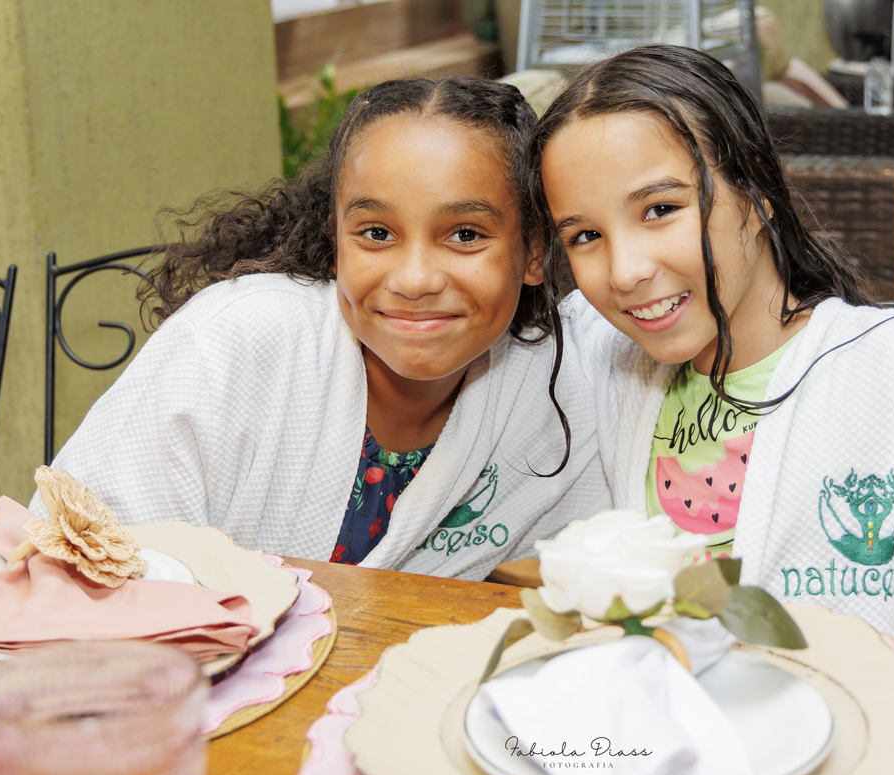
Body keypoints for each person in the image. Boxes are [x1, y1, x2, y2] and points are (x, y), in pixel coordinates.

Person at [530, 45, 894, 645]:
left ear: (756, 189)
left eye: (661, 209)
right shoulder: (593, 356)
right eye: (585, 236)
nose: (625, 271)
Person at [32, 77, 609, 580]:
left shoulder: (552, 395)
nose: (414, 280)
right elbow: (81, 551)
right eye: (376, 233)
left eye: (465, 235)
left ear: (535, 250)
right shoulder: (234, 342)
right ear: (336, 238)